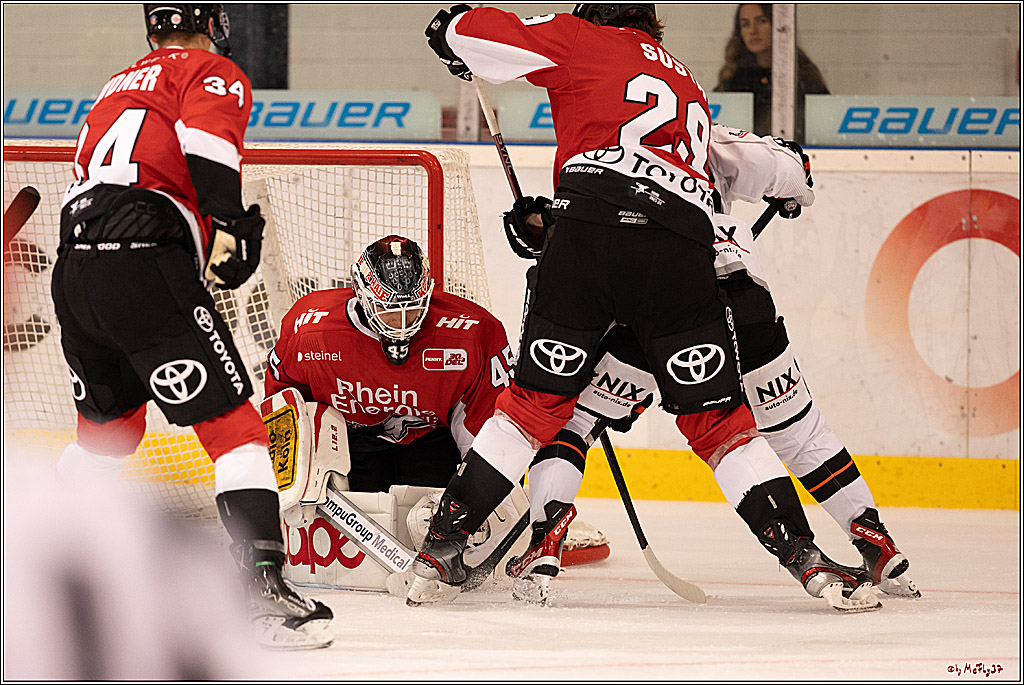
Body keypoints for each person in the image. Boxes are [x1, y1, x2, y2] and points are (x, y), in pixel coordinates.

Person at [413, 3, 878, 611]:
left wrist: (453, 29)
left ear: (590, 14)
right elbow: (766, 168)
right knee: (723, 428)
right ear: (651, 26)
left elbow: (483, 33)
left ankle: (442, 548)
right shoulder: (686, 78)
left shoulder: (580, 38)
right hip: (680, 253)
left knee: (530, 411)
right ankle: (806, 559)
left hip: (588, 232)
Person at [506, 125, 919, 603]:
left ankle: (545, 540)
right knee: (799, 432)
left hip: (657, 314)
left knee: (572, 422)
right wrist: (791, 188)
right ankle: (872, 537)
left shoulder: (601, 140)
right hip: (741, 298)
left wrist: (546, 229)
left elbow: (581, 234)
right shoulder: (703, 134)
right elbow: (792, 168)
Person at [50, 3, 332, 650]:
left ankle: (32, 560)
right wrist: (227, 220)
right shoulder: (212, 69)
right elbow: (205, 147)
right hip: (141, 259)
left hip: (76, 268)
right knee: (236, 429)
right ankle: (261, 593)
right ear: (215, 24)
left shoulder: (116, 82)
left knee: (109, 434)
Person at [714, 3, 829, 142]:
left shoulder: (803, 77)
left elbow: (820, 128)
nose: (753, 31)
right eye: (745, 24)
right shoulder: (734, 77)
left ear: (779, 24)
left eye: (761, 21)